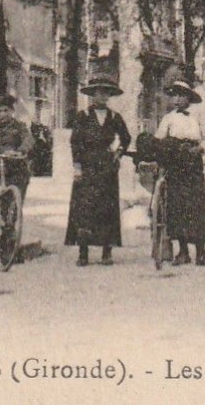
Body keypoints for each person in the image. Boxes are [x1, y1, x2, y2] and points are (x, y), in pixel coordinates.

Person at [65, 74, 132, 266]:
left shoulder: (114, 117)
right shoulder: (82, 117)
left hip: (107, 167)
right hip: (87, 166)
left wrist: (119, 152)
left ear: (109, 96)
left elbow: (126, 138)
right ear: (92, 95)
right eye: (98, 93)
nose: (101, 97)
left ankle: (106, 252)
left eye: (105, 93)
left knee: (107, 209)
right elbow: (75, 143)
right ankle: (83, 253)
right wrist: (77, 166)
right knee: (84, 209)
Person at [154, 79, 205, 267]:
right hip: (175, 163)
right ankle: (182, 252)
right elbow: (158, 139)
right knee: (177, 205)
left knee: (195, 205)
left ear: (189, 97)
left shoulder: (199, 115)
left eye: (181, 95)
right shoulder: (168, 118)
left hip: (193, 163)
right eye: (174, 95)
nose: (177, 99)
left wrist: (199, 149)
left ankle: (201, 252)